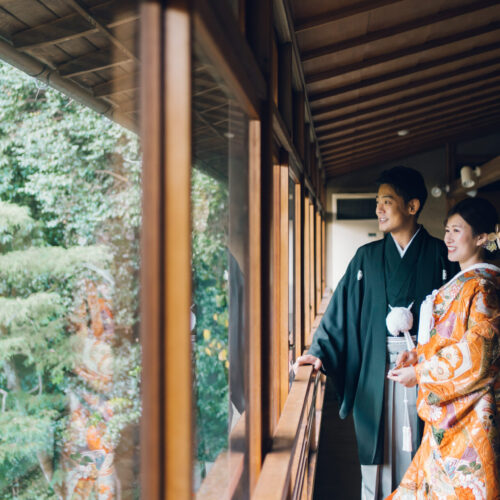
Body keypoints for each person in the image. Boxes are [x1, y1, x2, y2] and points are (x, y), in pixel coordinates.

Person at [295, 166, 459, 500]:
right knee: (376, 456)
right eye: (377, 202)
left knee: (426, 449)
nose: (378, 209)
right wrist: (319, 351)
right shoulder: (365, 259)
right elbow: (339, 312)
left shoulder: (442, 255)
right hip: (374, 367)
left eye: (387, 201)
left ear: (412, 207)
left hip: (425, 369)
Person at [387, 197, 500, 499]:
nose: (448, 239)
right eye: (447, 230)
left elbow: (479, 354)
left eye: (457, 231)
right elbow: (449, 340)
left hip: (473, 414)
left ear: (481, 238)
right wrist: (418, 355)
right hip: (452, 410)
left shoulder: (485, 288)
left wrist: (422, 373)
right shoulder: (464, 283)